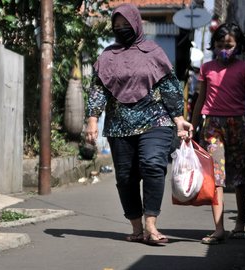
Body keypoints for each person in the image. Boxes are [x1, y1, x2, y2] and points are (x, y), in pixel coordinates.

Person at [84, 3, 193, 245]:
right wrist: (92, 119)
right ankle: (136, 227)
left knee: (153, 164)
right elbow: (98, 90)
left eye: (127, 25)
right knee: (126, 176)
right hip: (120, 125)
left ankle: (150, 224)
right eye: (117, 26)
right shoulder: (107, 57)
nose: (122, 29)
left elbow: (169, 86)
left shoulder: (153, 52)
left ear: (136, 24)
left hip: (156, 119)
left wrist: (178, 119)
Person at [190, 22, 245, 245]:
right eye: (220, 44)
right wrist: (191, 128)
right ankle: (218, 228)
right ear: (214, 45)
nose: (224, 49)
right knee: (216, 177)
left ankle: (240, 223)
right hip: (212, 125)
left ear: (238, 45)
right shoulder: (206, 68)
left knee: (240, 177)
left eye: (229, 45)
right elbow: (200, 99)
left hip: (238, 125)